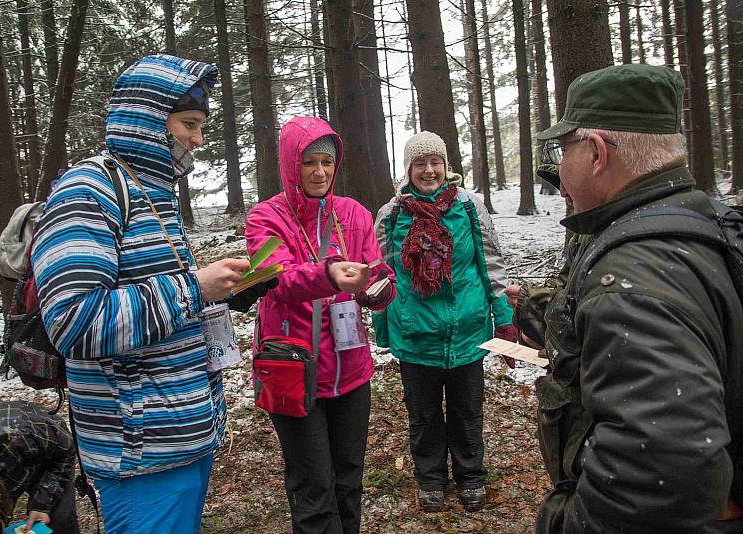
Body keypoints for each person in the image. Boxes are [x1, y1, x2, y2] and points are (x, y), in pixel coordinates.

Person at [31, 54, 271, 534]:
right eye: (188, 124)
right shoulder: (87, 190)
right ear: (147, 117)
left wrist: (221, 293)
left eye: (201, 126)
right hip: (139, 449)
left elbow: (162, 298)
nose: (197, 140)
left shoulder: (152, 193)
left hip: (183, 430)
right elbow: (74, 321)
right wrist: (193, 287)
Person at [508, 64, 743, 533]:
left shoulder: (634, 272)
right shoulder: (708, 226)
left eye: (563, 149)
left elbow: (660, 470)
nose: (561, 169)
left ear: (595, 152)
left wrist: (566, 523)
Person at [245, 115, 396, 534]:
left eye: (327, 163)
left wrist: (380, 290)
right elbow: (275, 281)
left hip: (350, 369)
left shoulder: (353, 212)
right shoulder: (266, 218)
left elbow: (376, 269)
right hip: (293, 369)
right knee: (313, 487)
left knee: (348, 478)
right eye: (309, 162)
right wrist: (328, 275)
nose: (319, 172)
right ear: (292, 164)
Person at [372, 131, 517, 513]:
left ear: (446, 165)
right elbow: (381, 275)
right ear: (408, 170)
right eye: (419, 163)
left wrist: (504, 321)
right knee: (423, 415)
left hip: (467, 331)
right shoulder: (391, 215)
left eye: (435, 161)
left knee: (468, 411)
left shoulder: (470, 207)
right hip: (416, 333)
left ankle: (470, 476)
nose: (429, 170)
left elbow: (490, 263)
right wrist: (386, 331)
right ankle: (431, 478)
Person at [0, 401, 79, 534]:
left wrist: (42, 503)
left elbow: (66, 450)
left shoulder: (22, 436)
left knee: (59, 522)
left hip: (47, 456)